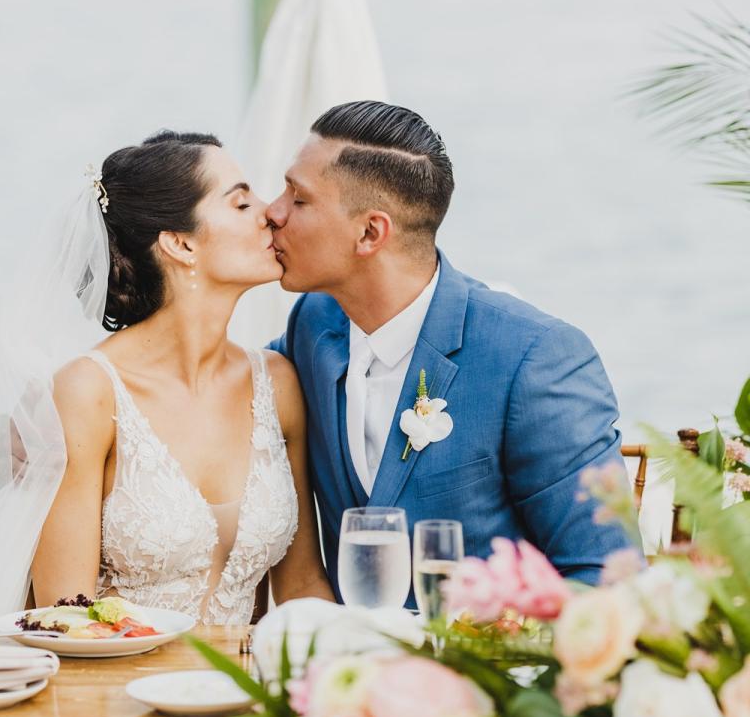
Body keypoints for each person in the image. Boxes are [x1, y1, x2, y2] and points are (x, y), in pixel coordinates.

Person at [267, 100, 637, 602]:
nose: (273, 212)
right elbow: (223, 384)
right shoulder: (314, 323)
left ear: (370, 233)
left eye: (299, 199)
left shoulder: (535, 359)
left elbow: (609, 577)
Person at [0, 130, 332, 622]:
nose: (271, 213)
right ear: (180, 244)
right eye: (240, 203)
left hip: (249, 691)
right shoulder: (88, 394)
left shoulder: (277, 381)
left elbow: (301, 586)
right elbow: (66, 617)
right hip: (117, 690)